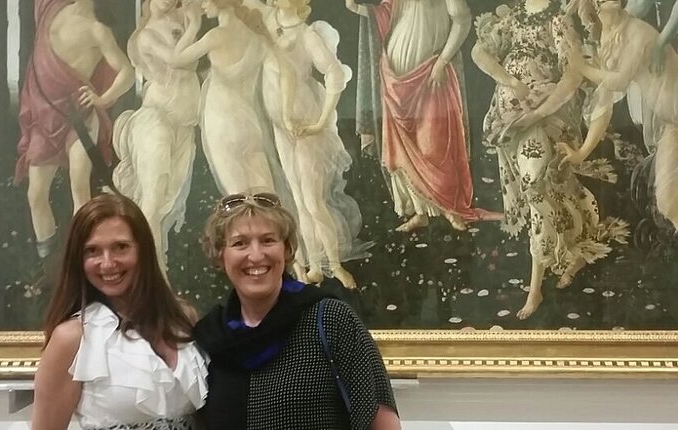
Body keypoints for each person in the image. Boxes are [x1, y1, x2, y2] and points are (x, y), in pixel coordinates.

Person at [193, 191, 404, 430]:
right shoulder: (211, 339)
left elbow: (382, 425)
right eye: (240, 243)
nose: (256, 255)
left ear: (287, 248)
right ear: (221, 254)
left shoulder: (330, 320)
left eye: (268, 240)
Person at [29, 194, 208, 430]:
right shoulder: (72, 337)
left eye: (120, 247)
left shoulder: (182, 319)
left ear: (143, 250)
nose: (108, 263)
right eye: (92, 251)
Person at [472, 0, 629, 319]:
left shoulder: (558, 21)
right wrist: (509, 81)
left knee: (535, 186)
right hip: (508, 119)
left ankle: (535, 288)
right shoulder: (512, 17)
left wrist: (537, 113)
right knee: (553, 191)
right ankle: (575, 248)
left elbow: (572, 77)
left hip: (544, 116)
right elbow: (479, 52)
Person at [244, 0, 370, 289]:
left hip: (305, 127)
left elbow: (334, 74)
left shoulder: (307, 35)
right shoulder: (269, 21)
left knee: (314, 202)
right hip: (281, 128)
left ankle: (335, 265)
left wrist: (321, 122)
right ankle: (314, 265)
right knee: (299, 202)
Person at [345, 0, 499, 232]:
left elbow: (462, 20)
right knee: (401, 151)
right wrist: (356, 7)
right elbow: (385, 14)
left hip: (429, 75)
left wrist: (442, 61)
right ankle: (420, 212)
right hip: (394, 79)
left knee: (434, 146)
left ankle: (450, 209)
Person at [15, 0, 134, 279]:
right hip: (45, 117)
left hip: (79, 117)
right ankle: (49, 269)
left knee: (79, 188)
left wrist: (102, 99)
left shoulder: (97, 30)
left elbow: (127, 72)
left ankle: (83, 267)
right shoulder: (49, 9)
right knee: (36, 194)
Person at [561, 0, 678, 232]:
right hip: (672, 124)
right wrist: (581, 152)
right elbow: (604, 102)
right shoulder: (608, 39)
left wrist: (582, 68)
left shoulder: (638, 32)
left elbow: (620, 81)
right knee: (668, 201)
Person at [112, 0, 203, 271]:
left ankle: (153, 268)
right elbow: (178, 60)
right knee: (152, 202)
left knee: (165, 203)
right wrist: (195, 24)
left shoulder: (181, 20)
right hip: (157, 123)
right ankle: (154, 273)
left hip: (183, 125)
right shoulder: (147, 36)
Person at [171, 0, 283, 196]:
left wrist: (194, 25)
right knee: (265, 195)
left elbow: (176, 60)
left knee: (237, 197)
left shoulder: (217, 35)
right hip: (250, 124)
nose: (203, 6)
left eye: (207, 0)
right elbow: (281, 76)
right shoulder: (258, 41)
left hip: (222, 121)